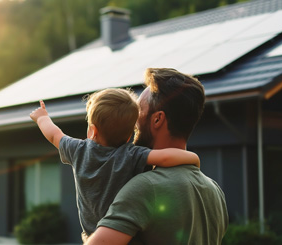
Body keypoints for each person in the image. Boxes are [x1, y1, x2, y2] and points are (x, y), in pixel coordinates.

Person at [29, 88, 201, 242]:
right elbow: (164, 158)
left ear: (93, 130)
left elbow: (54, 135)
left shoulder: (78, 150)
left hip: (93, 234)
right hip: (127, 234)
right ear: (129, 137)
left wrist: (42, 118)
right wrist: (192, 157)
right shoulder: (131, 154)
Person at [87, 68, 229, 245]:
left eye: (138, 112)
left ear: (157, 119)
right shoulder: (214, 191)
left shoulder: (146, 187)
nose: (132, 122)